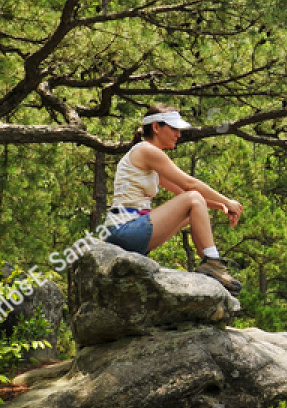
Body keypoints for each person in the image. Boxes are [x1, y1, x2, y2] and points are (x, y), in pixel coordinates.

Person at [104, 104, 243, 295]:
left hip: (127, 231)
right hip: (124, 230)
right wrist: (228, 201)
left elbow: (182, 192)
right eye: (174, 129)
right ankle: (213, 263)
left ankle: (212, 266)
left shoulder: (148, 159)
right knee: (193, 198)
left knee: (193, 211)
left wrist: (220, 206)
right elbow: (190, 186)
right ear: (156, 127)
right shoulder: (147, 151)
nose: (178, 134)